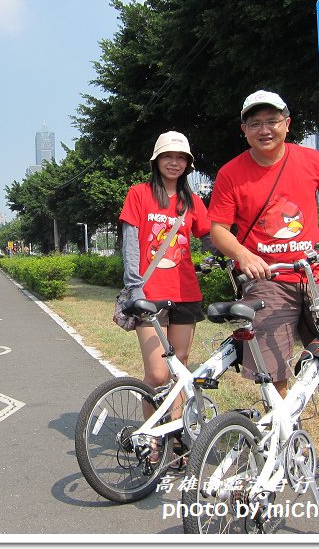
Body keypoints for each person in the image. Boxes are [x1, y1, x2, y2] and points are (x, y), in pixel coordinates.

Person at [207, 90, 319, 398]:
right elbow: (219, 230)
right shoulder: (231, 173)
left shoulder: (310, 161)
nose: (264, 130)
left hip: (313, 277)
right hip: (267, 282)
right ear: (244, 130)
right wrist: (242, 253)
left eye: (272, 121)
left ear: (287, 124)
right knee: (274, 371)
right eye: (255, 123)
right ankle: (281, 443)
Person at [119, 131, 212, 459]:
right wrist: (134, 286)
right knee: (158, 372)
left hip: (186, 292)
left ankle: (177, 434)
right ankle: (151, 436)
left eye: (181, 157)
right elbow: (131, 242)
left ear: (187, 163)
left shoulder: (192, 201)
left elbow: (209, 237)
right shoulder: (139, 194)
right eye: (168, 156)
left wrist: (233, 255)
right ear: (156, 161)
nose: (175, 162)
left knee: (180, 369)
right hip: (150, 295)